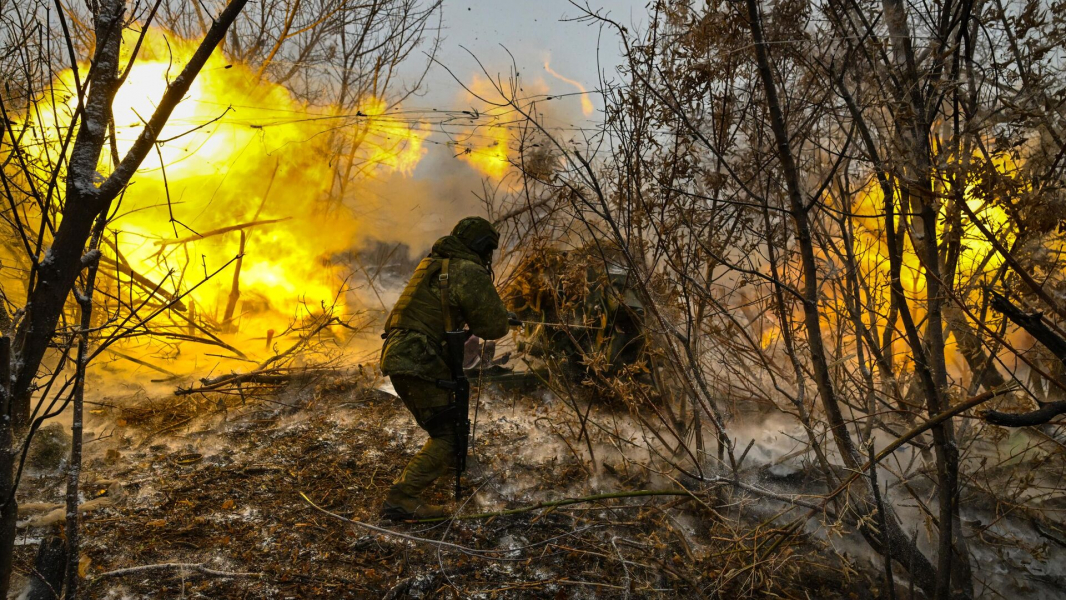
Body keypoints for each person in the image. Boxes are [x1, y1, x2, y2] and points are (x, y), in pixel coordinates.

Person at [378, 216, 510, 519]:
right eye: (488, 250)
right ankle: (401, 499)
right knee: (448, 434)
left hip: (402, 354)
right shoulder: (467, 270)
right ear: (481, 247)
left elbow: (441, 311)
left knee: (448, 420)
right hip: (418, 359)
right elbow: (494, 325)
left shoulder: (434, 265)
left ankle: (454, 466)